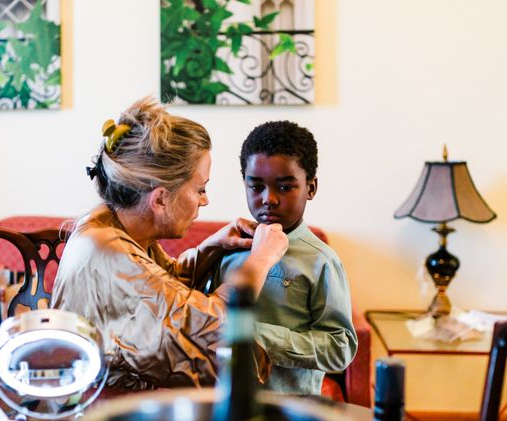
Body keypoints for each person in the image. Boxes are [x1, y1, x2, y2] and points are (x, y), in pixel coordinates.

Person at [51, 97, 288, 389]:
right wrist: (261, 260)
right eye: (200, 189)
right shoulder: (107, 249)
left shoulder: (113, 223)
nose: (205, 200)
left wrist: (211, 247)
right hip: (101, 410)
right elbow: (211, 326)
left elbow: (164, 293)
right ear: (160, 199)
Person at [208, 120, 357, 395]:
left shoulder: (321, 260)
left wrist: (258, 337)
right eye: (256, 187)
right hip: (224, 404)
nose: (269, 199)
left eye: (285, 187)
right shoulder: (228, 250)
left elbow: (340, 347)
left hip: (291, 412)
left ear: (310, 188)